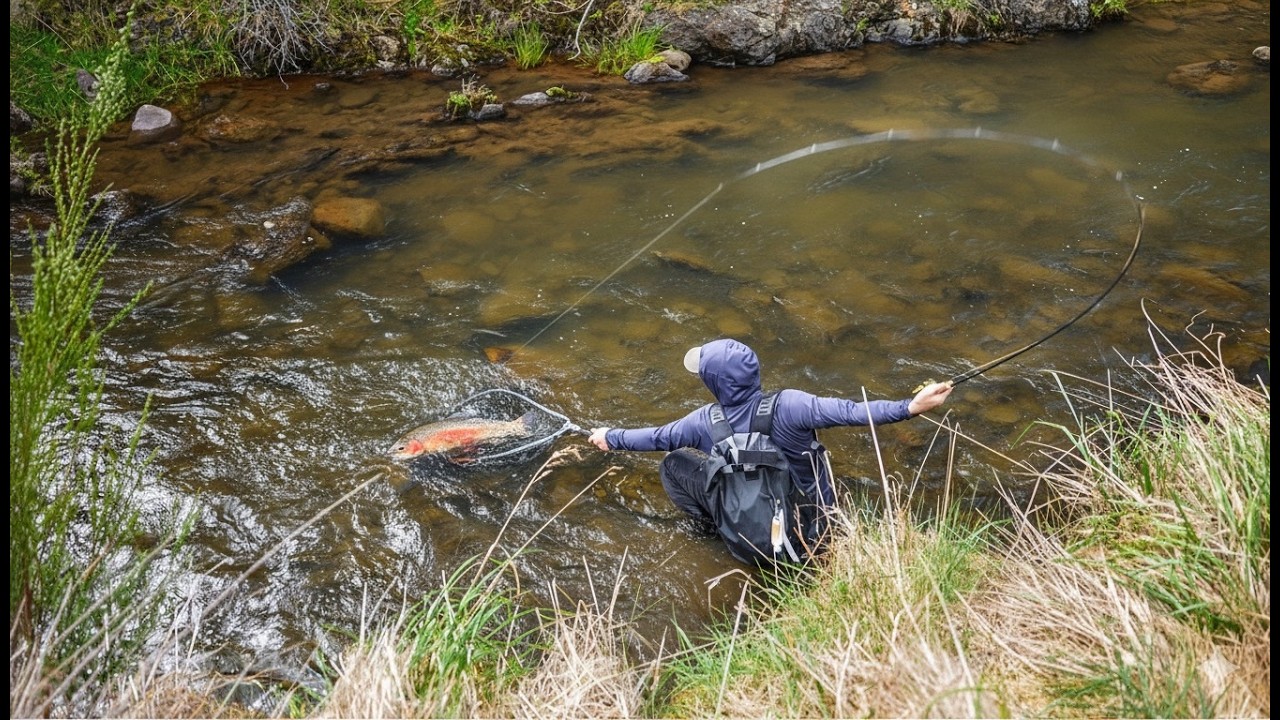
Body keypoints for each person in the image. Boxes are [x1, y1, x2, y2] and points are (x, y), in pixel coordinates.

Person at [588, 338, 954, 563]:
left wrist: (610, 436)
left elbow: (655, 437)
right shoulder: (792, 405)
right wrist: (910, 406)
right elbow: (854, 412)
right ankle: (823, 547)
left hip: (749, 539)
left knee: (673, 465)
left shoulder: (702, 422)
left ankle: (715, 532)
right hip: (814, 535)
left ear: (714, 383)